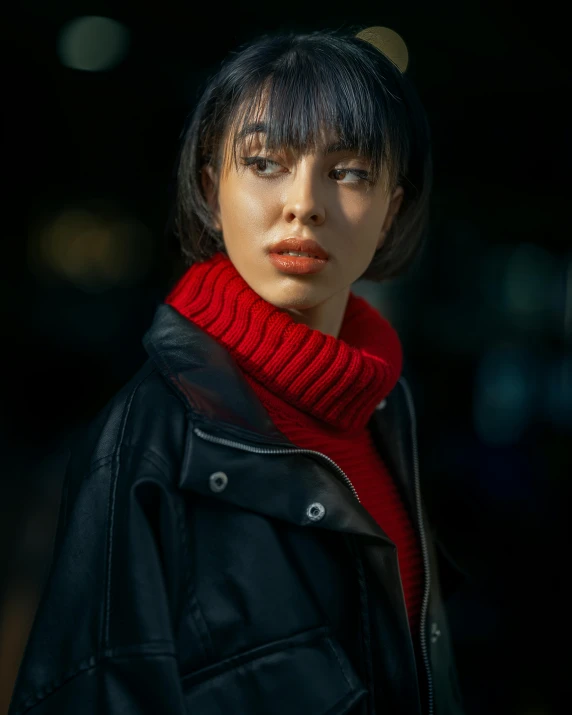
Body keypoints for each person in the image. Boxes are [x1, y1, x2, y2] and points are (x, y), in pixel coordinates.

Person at [9, 28, 466, 715]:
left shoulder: (385, 408)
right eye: (264, 162)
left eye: (349, 172)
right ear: (208, 187)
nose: (304, 203)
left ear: (391, 209)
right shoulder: (148, 440)